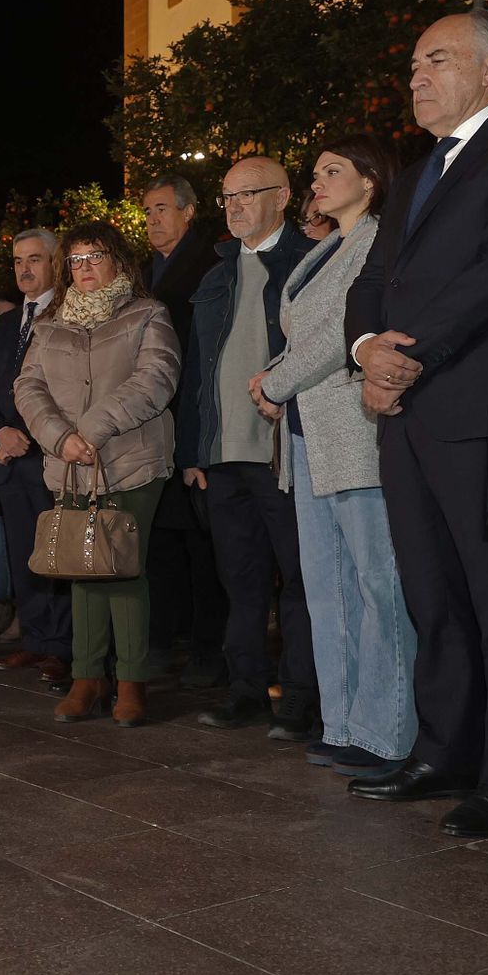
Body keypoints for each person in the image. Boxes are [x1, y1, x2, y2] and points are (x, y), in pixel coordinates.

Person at [342, 9, 488, 839]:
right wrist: (366, 347)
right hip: (403, 412)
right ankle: (445, 751)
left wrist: (408, 355)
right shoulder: (419, 171)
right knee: (432, 594)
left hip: (473, 407)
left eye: (436, 60)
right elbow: (373, 279)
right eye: (412, 68)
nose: (417, 78)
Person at [250, 135, 416, 778]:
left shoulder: (375, 241)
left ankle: (387, 733)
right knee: (327, 590)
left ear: (370, 182)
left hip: (352, 431)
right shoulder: (323, 250)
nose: (317, 182)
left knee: (377, 585)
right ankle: (343, 723)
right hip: (307, 435)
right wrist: (272, 375)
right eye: (315, 172)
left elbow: (337, 337)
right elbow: (301, 334)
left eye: (332, 171)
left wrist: (275, 383)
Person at [14, 221, 180, 725]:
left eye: (95, 256)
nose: (84, 267)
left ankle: (131, 681)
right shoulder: (50, 324)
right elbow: (27, 387)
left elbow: (157, 377)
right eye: (76, 259)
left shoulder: (147, 313)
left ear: (119, 261)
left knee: (122, 570)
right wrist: (60, 437)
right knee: (81, 571)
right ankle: (87, 678)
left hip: (130, 462)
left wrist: (89, 429)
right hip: (69, 465)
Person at [176, 157, 318, 739]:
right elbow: (196, 371)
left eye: (247, 194)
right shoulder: (216, 274)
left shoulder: (309, 262)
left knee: (300, 579)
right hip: (224, 454)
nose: (233, 206)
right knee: (241, 581)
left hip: (285, 452)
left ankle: (301, 698)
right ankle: (246, 692)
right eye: (227, 197)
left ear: (282, 197)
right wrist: (192, 452)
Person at [140, 174, 228, 689]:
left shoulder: (211, 263)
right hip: (149, 423)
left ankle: (207, 647)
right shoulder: (141, 272)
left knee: (201, 541)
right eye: (147, 211)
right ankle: (161, 639)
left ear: (188, 211)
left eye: (161, 208)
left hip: (194, 415)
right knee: (158, 539)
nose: (153, 219)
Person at [0, 228, 72, 683]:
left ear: (55, 262)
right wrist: (1, 433)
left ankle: (63, 647)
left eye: (34, 259)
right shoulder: (4, 324)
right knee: (24, 556)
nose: (24, 269)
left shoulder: (70, 314)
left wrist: (28, 436)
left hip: (50, 457)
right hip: (9, 461)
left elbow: (66, 390)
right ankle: (35, 641)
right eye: (18, 261)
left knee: (59, 554)